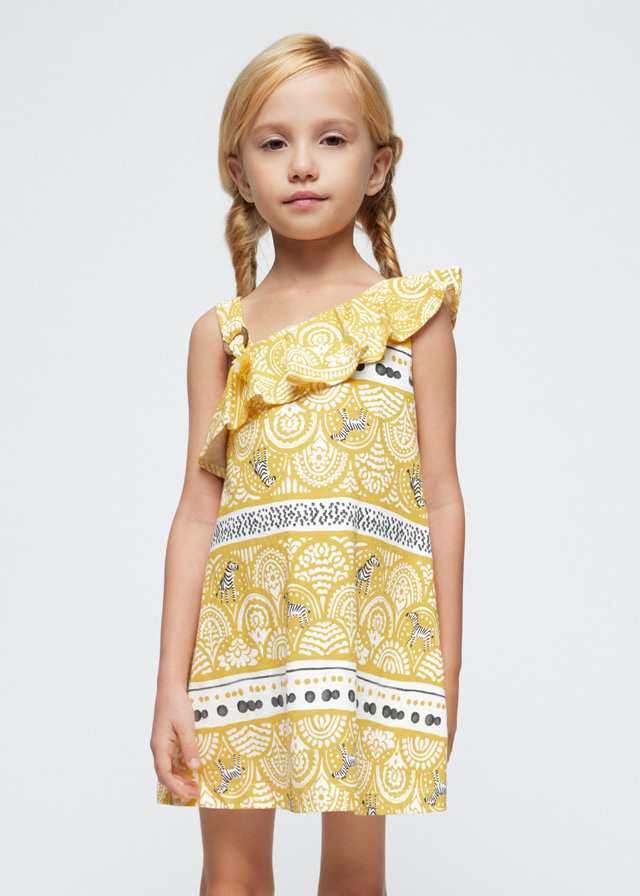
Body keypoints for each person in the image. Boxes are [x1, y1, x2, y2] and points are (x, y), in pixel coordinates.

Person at [150, 32, 464, 896]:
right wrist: (170, 682)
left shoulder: (414, 322)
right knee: (232, 875)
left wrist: (445, 667)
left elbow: (441, 499)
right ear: (239, 171)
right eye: (273, 142)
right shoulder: (221, 336)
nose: (301, 164)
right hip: (237, 646)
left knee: (355, 878)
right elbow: (196, 513)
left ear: (377, 165)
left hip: (368, 646)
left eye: (331, 138)